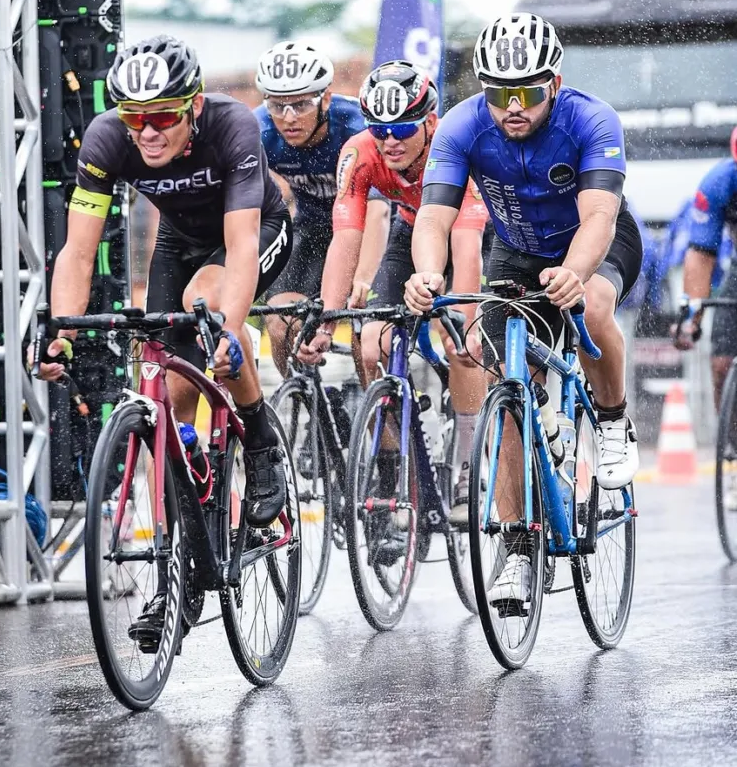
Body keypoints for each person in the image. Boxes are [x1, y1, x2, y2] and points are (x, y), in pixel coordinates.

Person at [37, 35, 293, 645]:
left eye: (161, 118)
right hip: (178, 243)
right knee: (169, 396)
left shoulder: (230, 128)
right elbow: (77, 249)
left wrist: (231, 333)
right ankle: (182, 574)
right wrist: (60, 333)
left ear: (193, 107)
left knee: (207, 313)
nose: (146, 133)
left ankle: (258, 441)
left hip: (251, 236)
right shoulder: (106, 140)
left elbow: (241, 248)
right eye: (135, 118)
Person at [406, 12, 643, 611]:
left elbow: (598, 218)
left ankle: (612, 419)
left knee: (589, 308)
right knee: (508, 390)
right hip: (515, 249)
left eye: (527, 93)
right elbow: (433, 217)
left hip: (595, 239)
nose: (513, 107)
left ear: (554, 84)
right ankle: (516, 547)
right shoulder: (461, 126)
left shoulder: (591, 119)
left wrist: (576, 271)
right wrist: (427, 272)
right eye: (497, 94)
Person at [298, 60, 488, 518]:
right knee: (370, 346)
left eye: (402, 129)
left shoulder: (454, 147)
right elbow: (347, 235)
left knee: (463, 345)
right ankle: (389, 461)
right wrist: (326, 316)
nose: (390, 142)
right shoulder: (361, 152)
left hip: (471, 233)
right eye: (380, 129)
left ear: (429, 122)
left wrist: (464, 321)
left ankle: (467, 464)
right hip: (410, 231)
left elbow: (465, 246)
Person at [254, 40, 390, 375]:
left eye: (300, 105)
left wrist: (363, 277)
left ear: (325, 99)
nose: (288, 118)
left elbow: (377, 211)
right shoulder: (260, 129)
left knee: (364, 332)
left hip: (367, 228)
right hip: (314, 227)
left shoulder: (356, 128)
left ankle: (372, 418)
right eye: (277, 105)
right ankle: (303, 405)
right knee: (278, 321)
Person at [675, 125, 737, 413]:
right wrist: (692, 317)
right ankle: (733, 448)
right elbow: (701, 253)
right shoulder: (719, 183)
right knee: (722, 364)